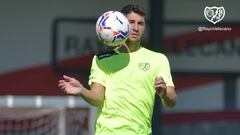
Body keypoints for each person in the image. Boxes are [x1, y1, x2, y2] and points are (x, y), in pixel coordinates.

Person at [58, 4, 177, 135]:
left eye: (141, 23)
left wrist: (164, 94)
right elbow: (98, 98)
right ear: (121, 24)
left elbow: (171, 102)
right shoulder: (102, 59)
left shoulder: (158, 59)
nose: (136, 28)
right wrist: (82, 90)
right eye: (131, 22)